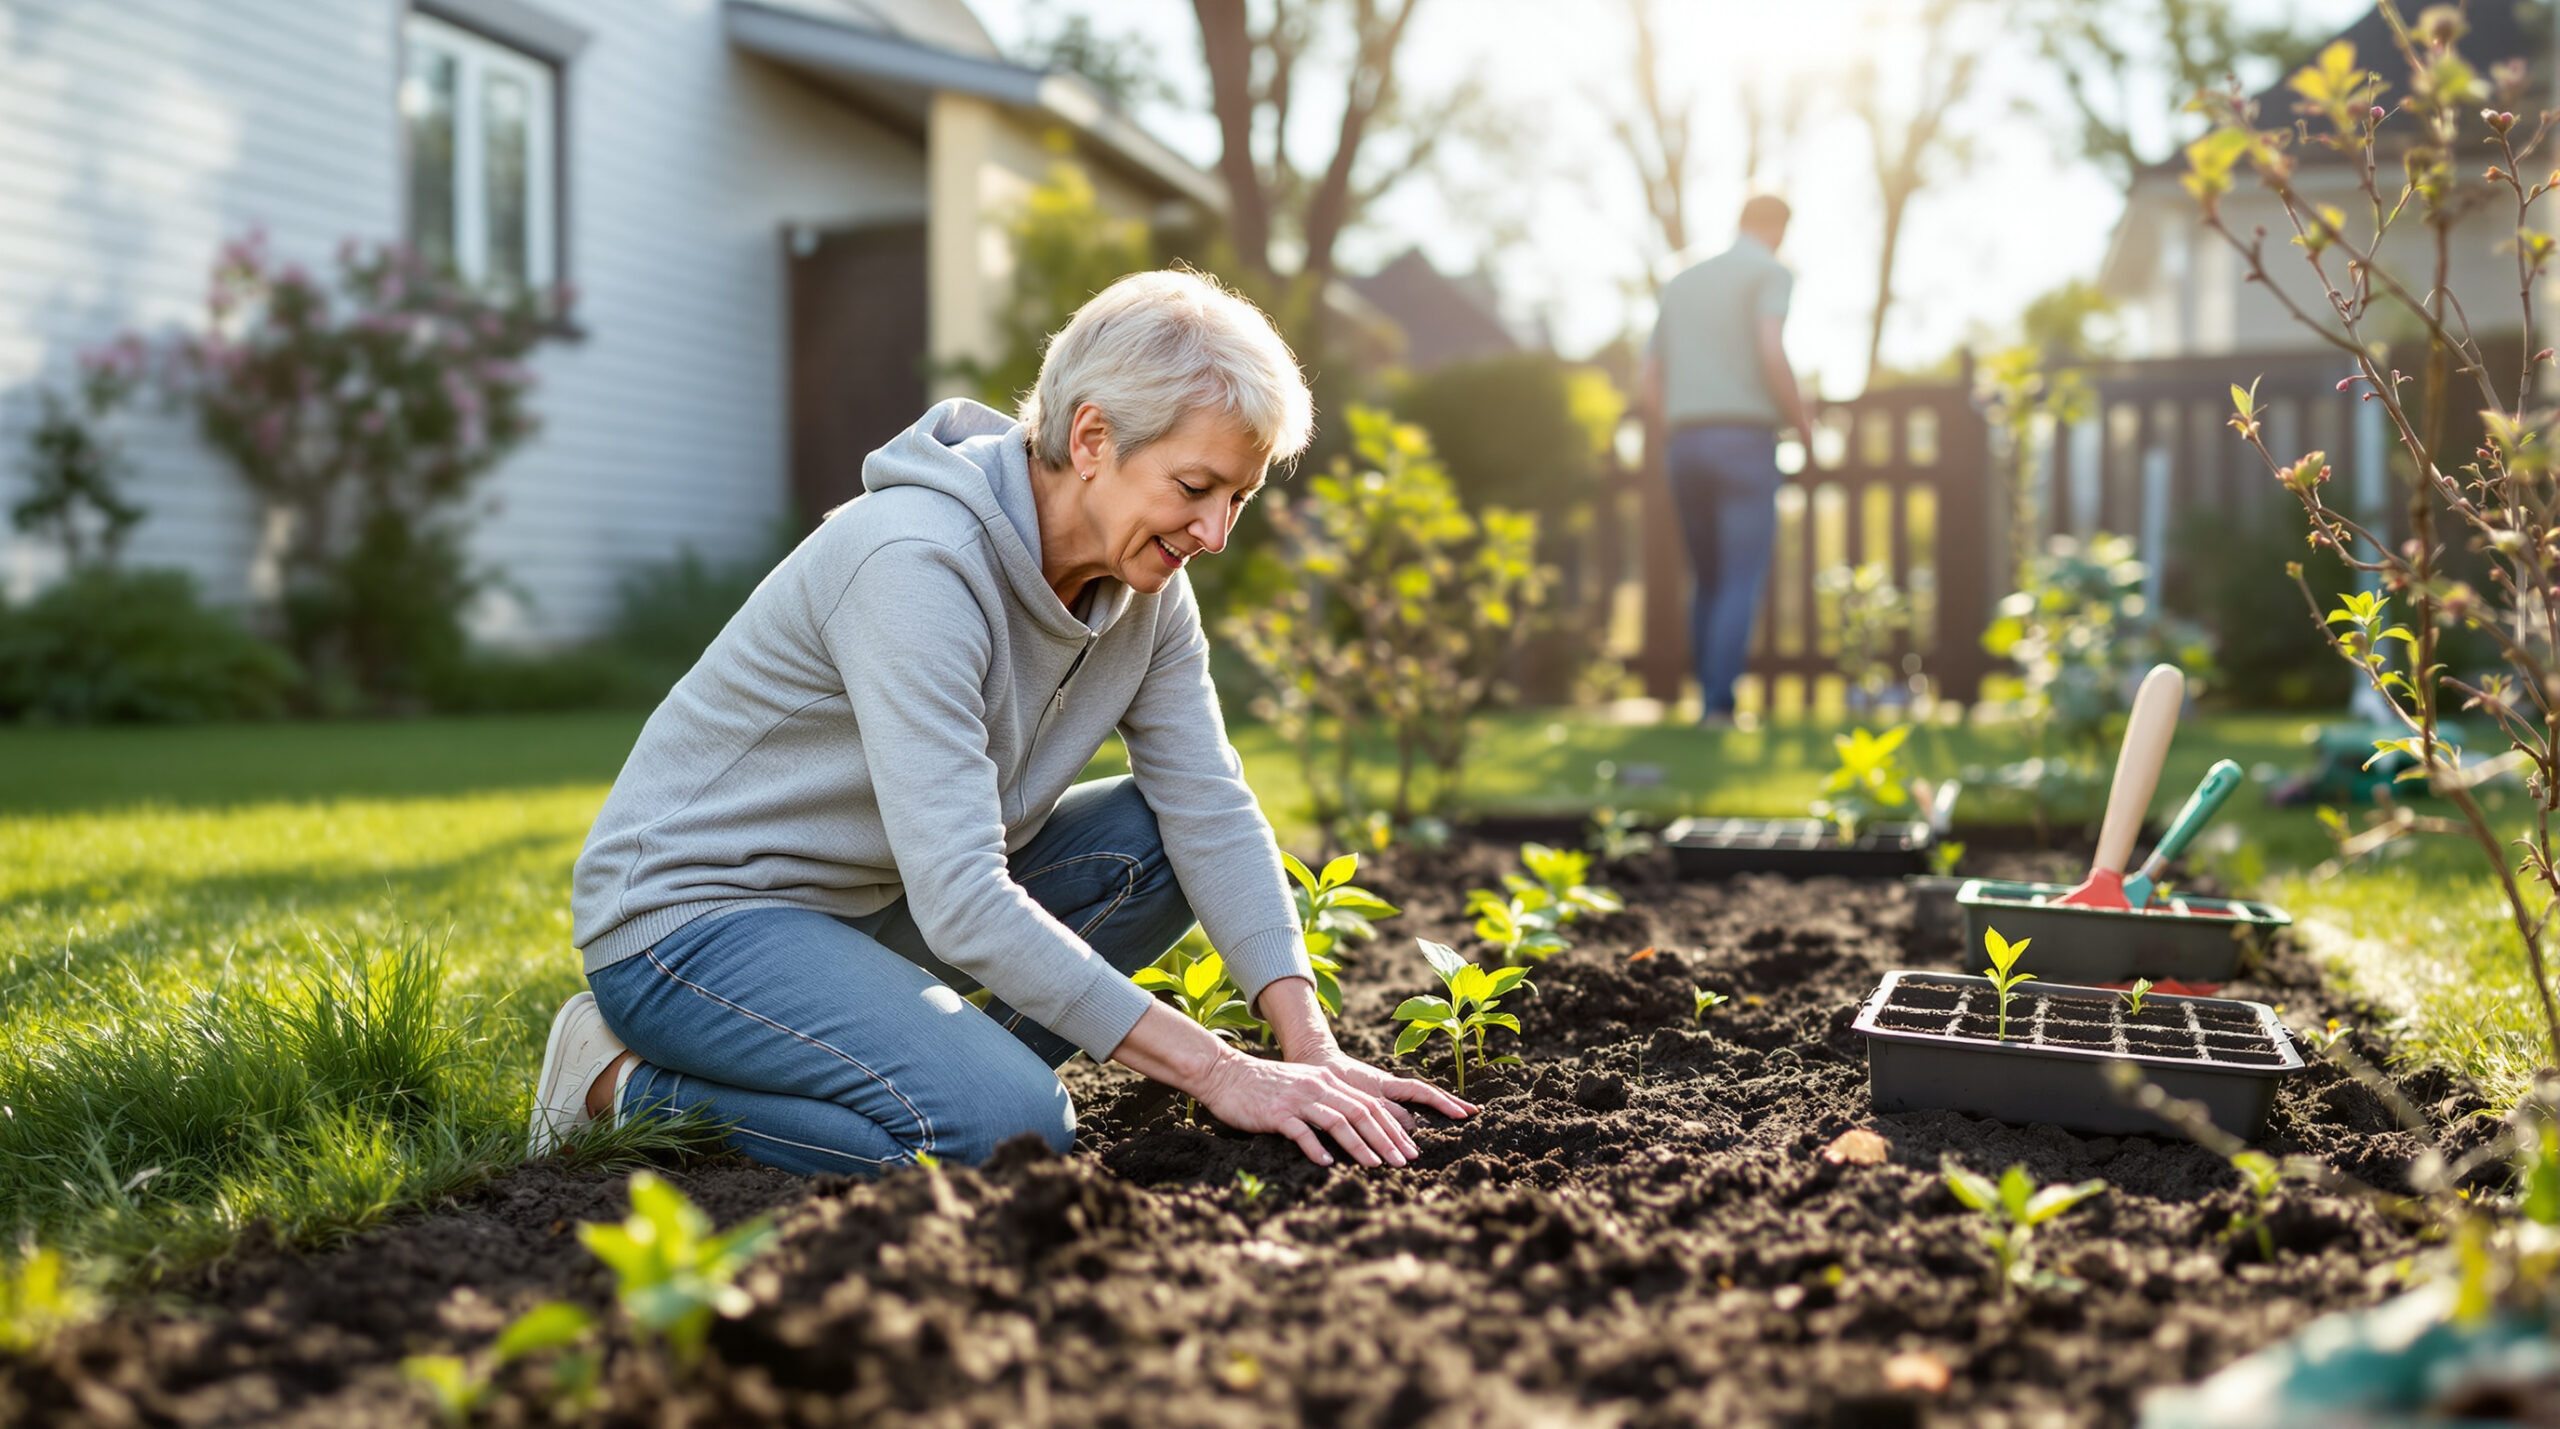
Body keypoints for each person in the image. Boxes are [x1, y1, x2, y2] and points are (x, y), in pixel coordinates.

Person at [528, 270, 1470, 1176]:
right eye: (1194, 487)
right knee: (1004, 1130)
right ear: (1093, 437)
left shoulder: (1147, 592)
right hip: (696, 924)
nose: (1215, 533)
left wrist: (1311, 1050)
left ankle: (925, 1076)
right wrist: (1219, 1071)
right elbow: (963, 895)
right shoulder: (915, 564)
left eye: (1239, 499)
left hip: (867, 908)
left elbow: (1210, 806)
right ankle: (620, 1084)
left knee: (1155, 837)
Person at [1643, 194, 1816, 726]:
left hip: (1685, 441)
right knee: (1740, 577)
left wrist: (1675, 427)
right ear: (1779, 228)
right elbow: (1771, 351)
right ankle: (1718, 706)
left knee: (1709, 578)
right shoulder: (1769, 272)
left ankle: (1706, 702)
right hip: (1744, 439)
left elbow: (1649, 380)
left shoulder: (1683, 281)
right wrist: (1806, 428)